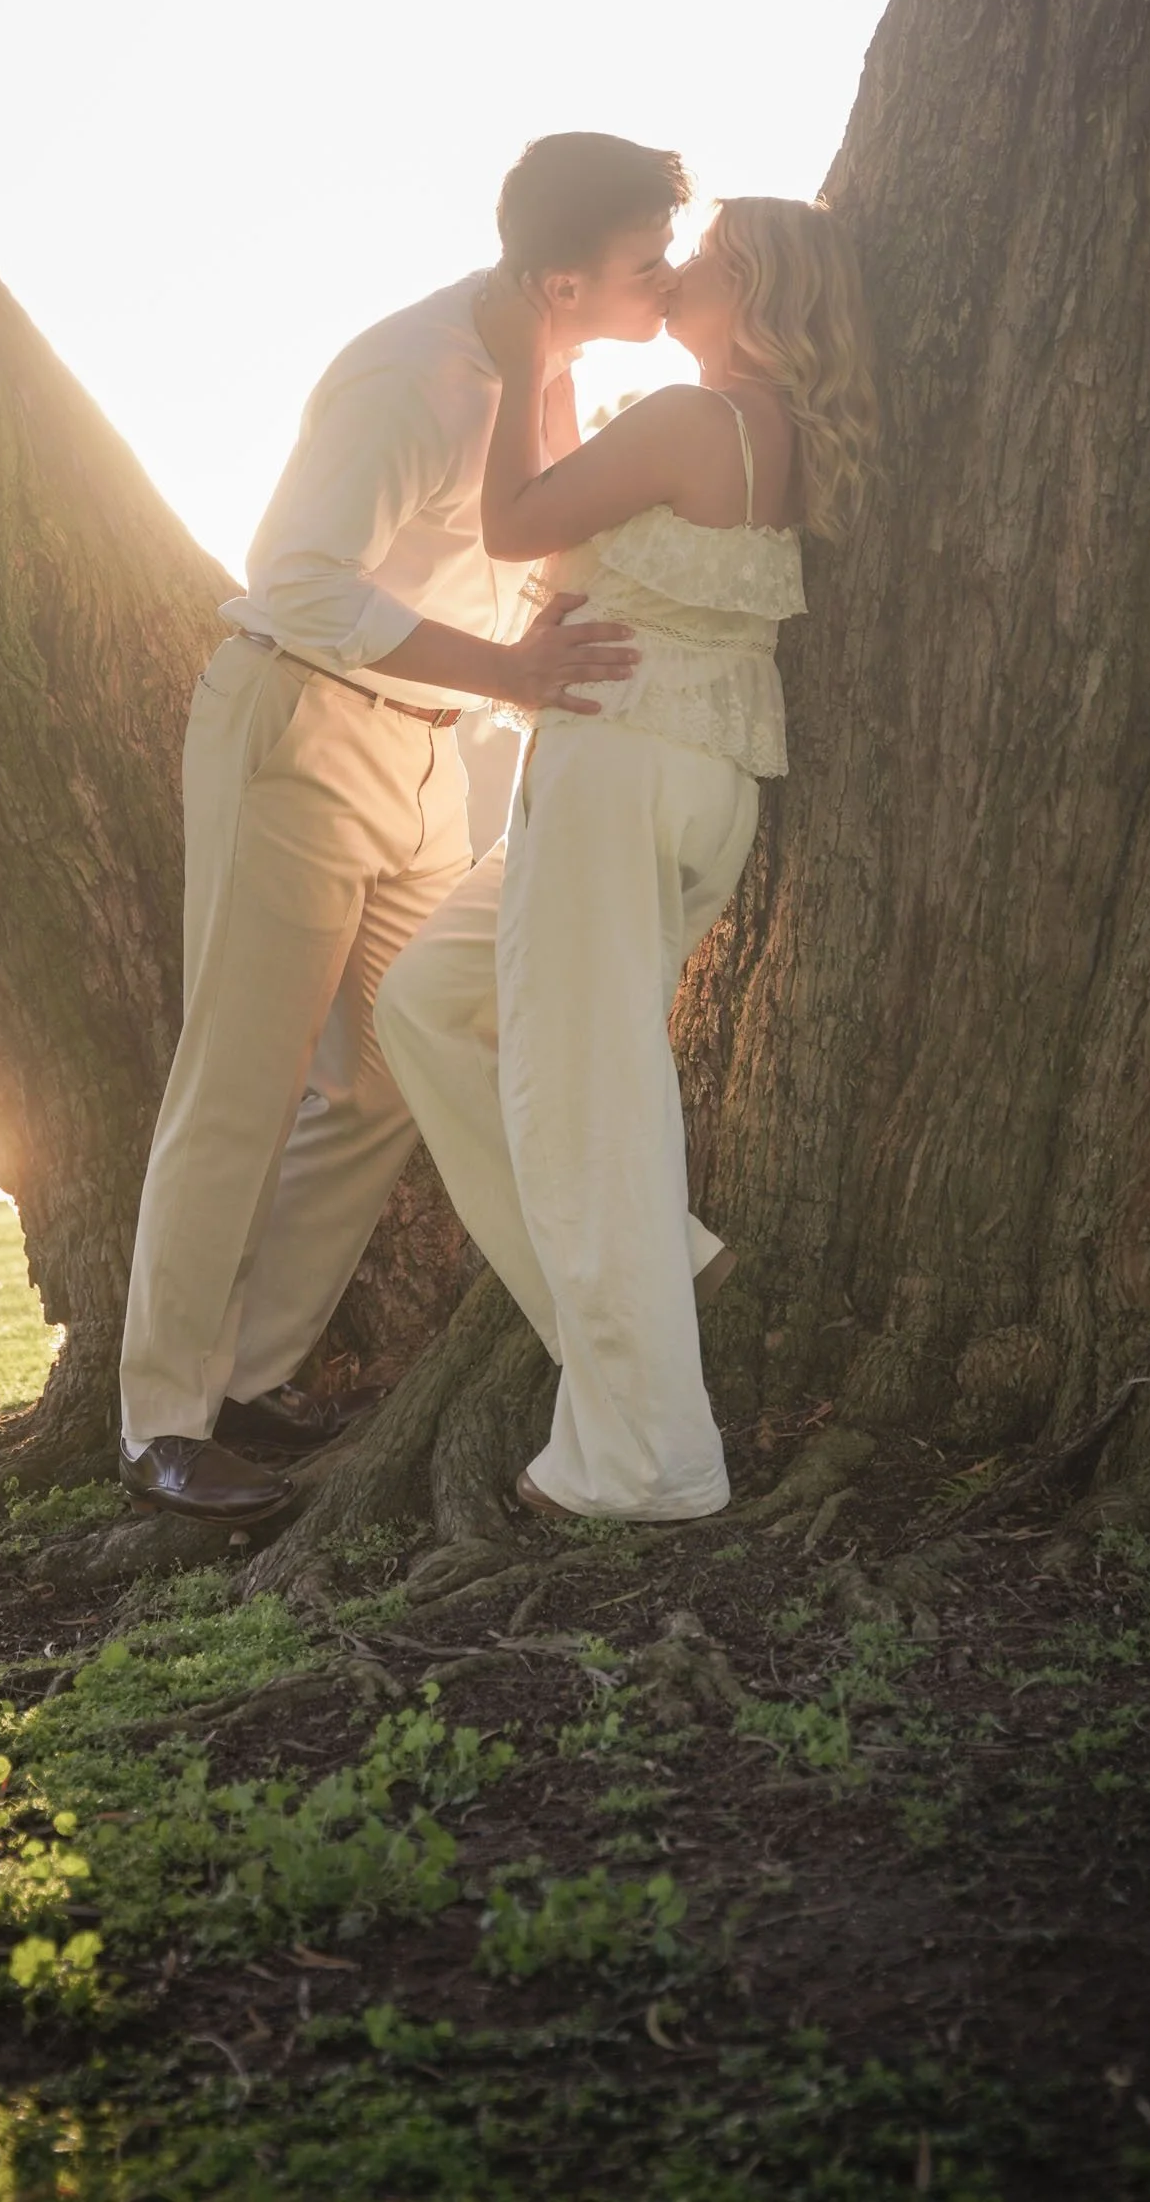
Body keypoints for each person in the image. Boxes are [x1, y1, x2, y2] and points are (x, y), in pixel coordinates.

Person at [116, 133, 688, 1528]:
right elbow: (299, 581)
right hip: (299, 732)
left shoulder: (549, 371)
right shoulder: (411, 376)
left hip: (430, 752)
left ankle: (252, 1374)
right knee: (239, 1080)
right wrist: (514, 672)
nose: (667, 281)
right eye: (647, 261)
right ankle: (164, 1424)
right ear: (563, 280)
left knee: (385, 1077)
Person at [375, 198, 878, 1522]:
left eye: (703, 259)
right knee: (423, 1005)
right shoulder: (760, 427)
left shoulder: (690, 416)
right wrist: (556, 374)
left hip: (616, 775)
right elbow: (579, 508)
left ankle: (648, 1464)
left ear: (753, 294)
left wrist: (516, 361)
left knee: (588, 1106)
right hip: (691, 776)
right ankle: (656, 1272)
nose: (674, 271)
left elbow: (514, 524)